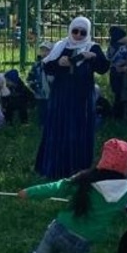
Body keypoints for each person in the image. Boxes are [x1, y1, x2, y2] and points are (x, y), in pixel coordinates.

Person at [9, 138, 127, 253]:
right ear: (126, 165)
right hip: (83, 240)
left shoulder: (86, 178)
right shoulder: (126, 191)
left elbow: (57, 187)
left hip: (59, 229)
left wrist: (29, 192)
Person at [34, 16, 111, 180]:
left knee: (79, 130)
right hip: (61, 96)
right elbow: (48, 67)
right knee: (59, 129)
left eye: (82, 32)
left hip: (82, 97)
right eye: (75, 31)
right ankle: (54, 168)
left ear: (87, 33)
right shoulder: (61, 46)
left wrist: (93, 58)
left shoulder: (92, 47)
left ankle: (78, 169)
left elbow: (104, 68)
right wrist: (58, 64)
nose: (78, 35)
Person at [106, 27, 127, 118]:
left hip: (113, 73)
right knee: (121, 95)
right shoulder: (123, 48)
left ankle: (115, 114)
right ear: (120, 38)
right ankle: (120, 115)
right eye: (126, 36)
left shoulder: (111, 47)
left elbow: (108, 58)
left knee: (117, 95)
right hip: (121, 74)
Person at [26, 43, 52, 124]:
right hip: (39, 92)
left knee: (52, 110)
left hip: (52, 92)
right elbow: (30, 77)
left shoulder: (54, 63)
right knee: (42, 110)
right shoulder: (37, 65)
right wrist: (32, 86)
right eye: (42, 50)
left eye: (47, 50)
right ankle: (42, 126)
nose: (44, 53)